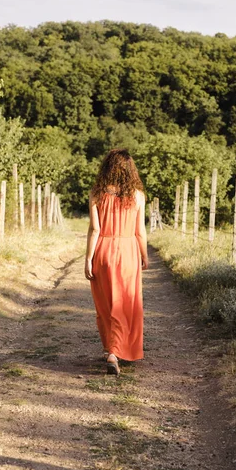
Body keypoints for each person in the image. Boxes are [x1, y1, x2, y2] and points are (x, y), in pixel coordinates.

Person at [84, 148, 148, 375]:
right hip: (128, 250)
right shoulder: (138, 196)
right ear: (131, 171)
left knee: (105, 303)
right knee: (125, 303)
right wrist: (144, 255)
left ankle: (109, 347)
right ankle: (115, 351)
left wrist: (88, 259)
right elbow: (140, 231)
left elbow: (95, 229)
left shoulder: (97, 193)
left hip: (103, 249)